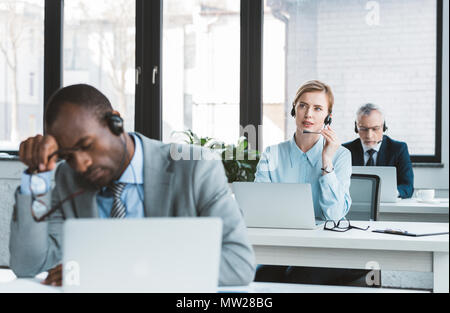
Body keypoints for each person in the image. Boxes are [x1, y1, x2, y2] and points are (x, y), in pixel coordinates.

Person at [9, 84, 255, 287]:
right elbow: (28, 265)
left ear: (115, 123)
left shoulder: (195, 168)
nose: (81, 164)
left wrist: (112, 269)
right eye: (68, 155)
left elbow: (238, 264)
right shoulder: (68, 177)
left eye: (86, 145)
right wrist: (36, 179)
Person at [254, 80, 364, 285]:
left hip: (325, 248)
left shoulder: (341, 156)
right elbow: (260, 209)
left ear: (328, 116)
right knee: (261, 277)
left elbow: (335, 214)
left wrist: (327, 162)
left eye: (318, 108)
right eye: (303, 105)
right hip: (283, 245)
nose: (309, 114)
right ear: (293, 109)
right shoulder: (272, 154)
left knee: (299, 278)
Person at [343, 103, 414, 199]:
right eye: (363, 129)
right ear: (356, 128)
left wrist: (390, 193)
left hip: (388, 206)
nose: (369, 135)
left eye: (375, 129)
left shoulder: (399, 149)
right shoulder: (346, 150)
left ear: (384, 127)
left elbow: (407, 187)